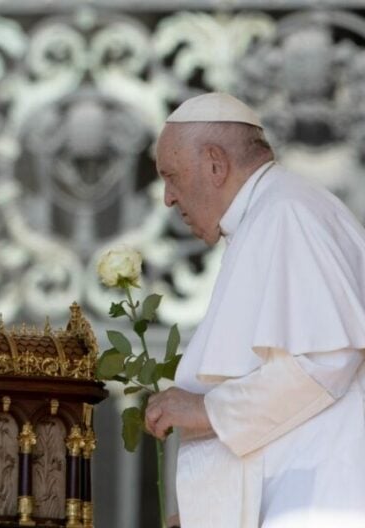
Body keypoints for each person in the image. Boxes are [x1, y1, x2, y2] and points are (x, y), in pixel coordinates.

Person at [145, 92, 365, 528]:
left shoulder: (287, 212)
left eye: (172, 176)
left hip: (319, 499)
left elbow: (325, 360)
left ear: (214, 163)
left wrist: (205, 411)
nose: (168, 198)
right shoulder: (273, 212)